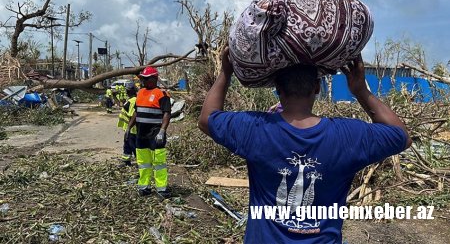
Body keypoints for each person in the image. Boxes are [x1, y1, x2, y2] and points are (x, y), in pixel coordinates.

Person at [198, 47, 412, 244]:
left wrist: (225, 72)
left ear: (277, 89)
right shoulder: (347, 136)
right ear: (317, 87)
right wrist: (360, 91)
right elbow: (401, 136)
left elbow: (207, 119)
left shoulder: (255, 128)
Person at [127, 66, 172, 198]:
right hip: (141, 135)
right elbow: (136, 112)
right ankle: (144, 187)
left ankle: (161, 189)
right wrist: (129, 127)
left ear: (155, 79)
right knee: (143, 163)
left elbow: (166, 114)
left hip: (155, 134)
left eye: (147, 79)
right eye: (143, 79)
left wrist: (162, 131)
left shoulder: (161, 94)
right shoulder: (140, 93)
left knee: (159, 163)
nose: (144, 81)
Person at [117, 86, 138, 166]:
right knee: (127, 145)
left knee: (134, 146)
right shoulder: (130, 100)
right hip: (128, 128)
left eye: (127, 91)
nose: (126, 93)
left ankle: (141, 163)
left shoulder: (133, 101)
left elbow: (133, 115)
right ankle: (126, 161)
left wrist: (129, 128)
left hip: (133, 129)